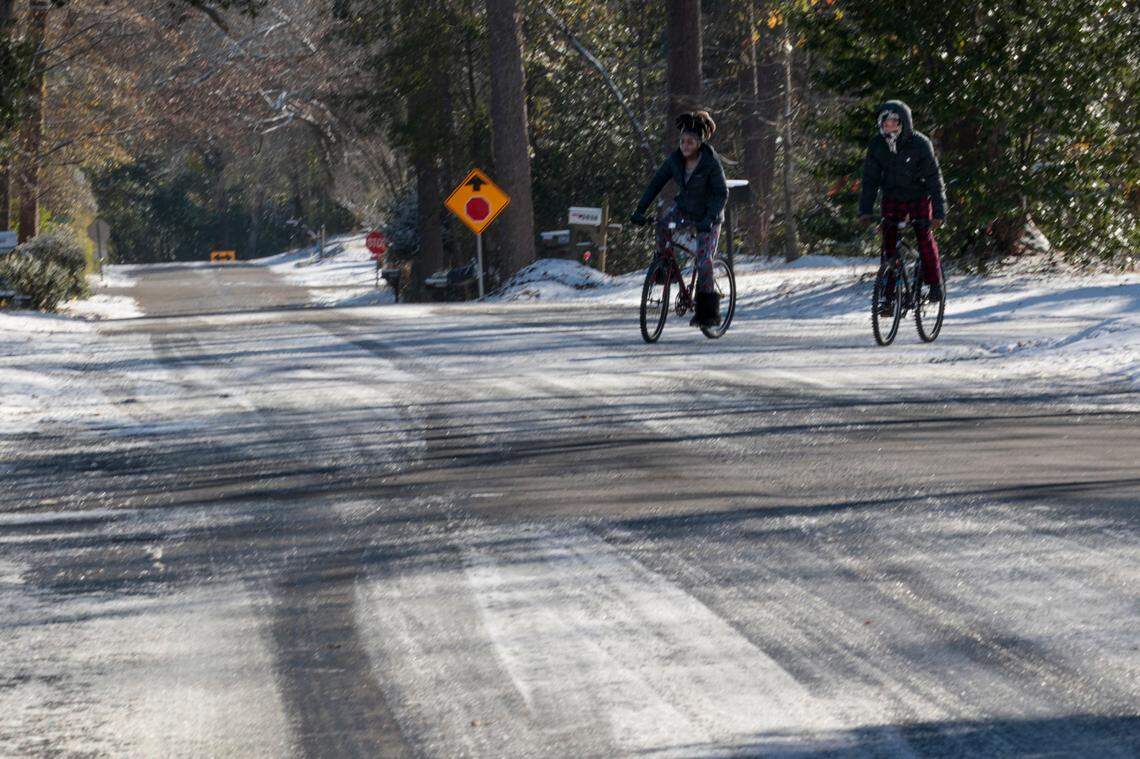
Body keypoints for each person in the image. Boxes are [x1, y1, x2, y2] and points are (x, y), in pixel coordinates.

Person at [630, 111, 728, 327]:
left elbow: (721, 193)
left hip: (708, 216)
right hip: (685, 210)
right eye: (682, 141)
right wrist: (640, 210)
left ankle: (708, 313)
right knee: (663, 226)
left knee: (703, 261)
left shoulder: (710, 162)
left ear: (699, 143)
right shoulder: (674, 160)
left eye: (690, 142)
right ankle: (664, 270)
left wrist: (709, 219)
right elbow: (656, 184)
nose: (685, 145)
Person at [858, 100, 947, 307]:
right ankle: (888, 297)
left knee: (923, 236)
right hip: (892, 197)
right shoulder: (877, 145)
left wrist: (939, 213)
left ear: (903, 123)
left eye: (893, 123)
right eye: (885, 123)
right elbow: (870, 179)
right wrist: (865, 210)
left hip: (918, 196)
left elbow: (934, 178)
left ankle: (935, 285)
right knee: (888, 243)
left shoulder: (920, 143)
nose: (889, 127)